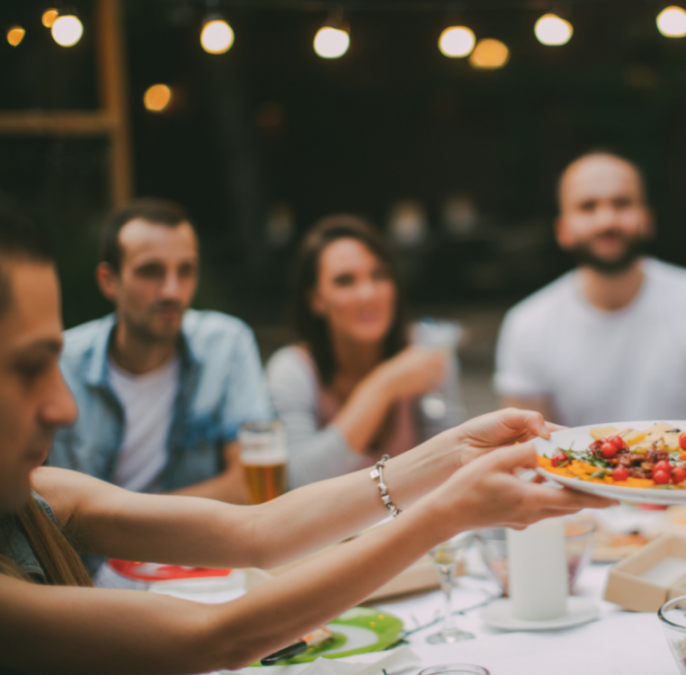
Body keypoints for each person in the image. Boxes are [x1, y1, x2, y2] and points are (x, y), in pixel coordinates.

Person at [0, 205, 614, 674]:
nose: (64, 405)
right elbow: (212, 638)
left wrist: (453, 453)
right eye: (29, 366)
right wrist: (448, 512)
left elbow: (257, 532)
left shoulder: (43, 493)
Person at [494, 151, 686, 427]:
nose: (607, 220)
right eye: (587, 206)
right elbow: (531, 453)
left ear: (647, 219)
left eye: (622, 203)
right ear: (562, 230)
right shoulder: (526, 325)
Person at [48, 199, 273, 509]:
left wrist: (131, 526)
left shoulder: (226, 344)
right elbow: (39, 500)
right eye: (150, 271)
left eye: (186, 271)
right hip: (82, 558)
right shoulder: (61, 364)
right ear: (109, 280)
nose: (171, 290)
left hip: (193, 554)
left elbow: (248, 486)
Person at [266, 215, 465, 488]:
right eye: (345, 281)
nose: (367, 294)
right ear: (315, 299)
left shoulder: (426, 351)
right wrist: (382, 386)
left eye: (380, 275)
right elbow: (296, 480)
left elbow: (454, 465)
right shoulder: (292, 369)